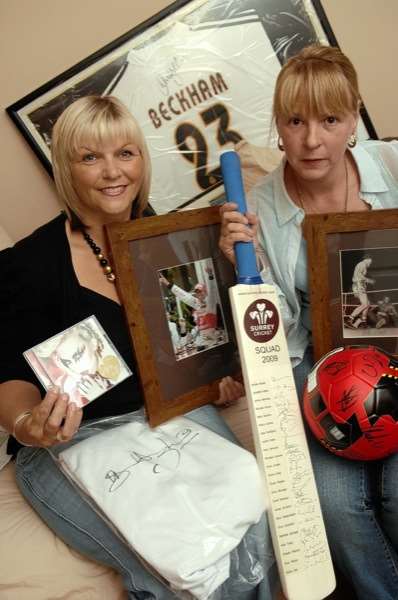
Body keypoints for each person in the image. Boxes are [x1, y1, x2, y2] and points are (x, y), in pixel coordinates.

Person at [0, 96, 275, 599]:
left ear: (141, 161)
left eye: (125, 154)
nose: (112, 173)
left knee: (253, 511)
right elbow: (7, 377)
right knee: (178, 568)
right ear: (66, 166)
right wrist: (28, 425)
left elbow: (208, 344)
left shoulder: (174, 238)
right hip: (74, 438)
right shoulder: (29, 264)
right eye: (90, 157)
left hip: (167, 411)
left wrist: (232, 268)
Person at [219, 44, 398, 599]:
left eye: (330, 119)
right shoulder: (259, 207)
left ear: (354, 117)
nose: (312, 140)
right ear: (279, 125)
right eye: (295, 121)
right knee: (335, 506)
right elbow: (279, 334)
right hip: (318, 369)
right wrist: (243, 268)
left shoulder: (392, 166)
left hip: (395, 358)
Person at [346, 255, 375, 328]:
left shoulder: (362, 265)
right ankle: (350, 319)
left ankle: (362, 321)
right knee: (365, 304)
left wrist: (365, 282)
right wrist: (368, 280)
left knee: (367, 304)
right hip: (359, 286)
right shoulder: (362, 264)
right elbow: (358, 275)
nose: (370, 263)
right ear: (368, 259)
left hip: (359, 286)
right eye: (370, 261)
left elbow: (359, 276)